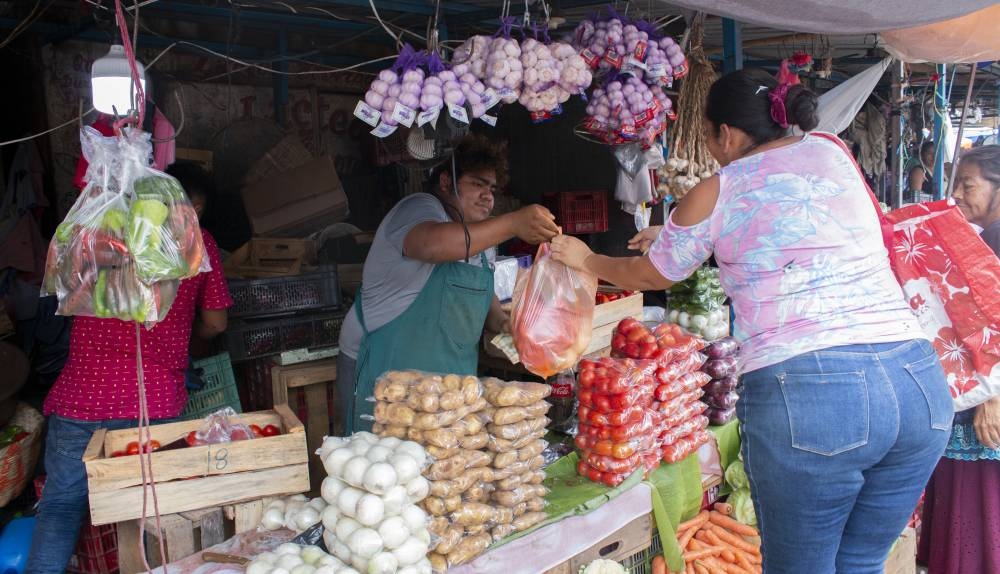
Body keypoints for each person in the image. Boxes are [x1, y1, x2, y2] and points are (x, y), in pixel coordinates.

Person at [550, 68, 952, 574]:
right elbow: (792, 233)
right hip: (917, 382)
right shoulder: (832, 150)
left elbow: (651, 272)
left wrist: (586, 259)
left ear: (726, 134)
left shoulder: (719, 187)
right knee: (861, 564)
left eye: (707, 136)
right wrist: (686, 240)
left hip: (817, 394)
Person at [27, 164, 232, 574]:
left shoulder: (94, 234)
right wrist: (179, 336)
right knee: (155, 514)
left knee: (61, 506)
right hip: (152, 400)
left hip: (80, 399)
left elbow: (65, 300)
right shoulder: (196, 243)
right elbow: (216, 323)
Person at [337, 135, 559, 433]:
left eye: (492, 188)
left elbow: (490, 314)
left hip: (448, 387)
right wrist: (513, 223)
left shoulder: (481, 240)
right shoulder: (418, 208)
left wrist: (512, 326)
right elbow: (430, 245)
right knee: (379, 470)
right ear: (446, 181)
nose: (488, 196)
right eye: (477, 184)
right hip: (383, 374)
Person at [918, 145, 1000, 574]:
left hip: (988, 401)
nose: (959, 195)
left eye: (968, 185)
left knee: (976, 507)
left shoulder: (996, 237)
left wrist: (992, 398)